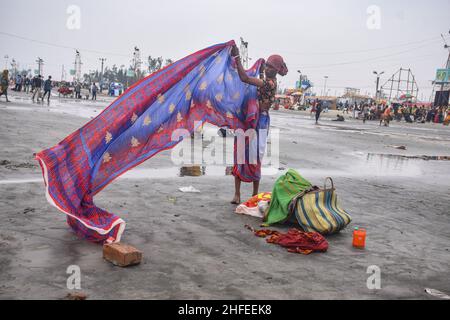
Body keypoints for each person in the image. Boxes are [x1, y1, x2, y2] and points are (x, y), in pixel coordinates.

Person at [230, 45, 288, 204]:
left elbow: (245, 79)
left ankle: (254, 194)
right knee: (240, 153)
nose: (268, 68)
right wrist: (261, 69)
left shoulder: (270, 83)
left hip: (260, 121)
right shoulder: (267, 80)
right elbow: (257, 81)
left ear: (276, 70)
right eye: (267, 65)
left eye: (271, 67)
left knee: (256, 156)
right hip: (249, 119)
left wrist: (237, 58)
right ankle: (237, 194)